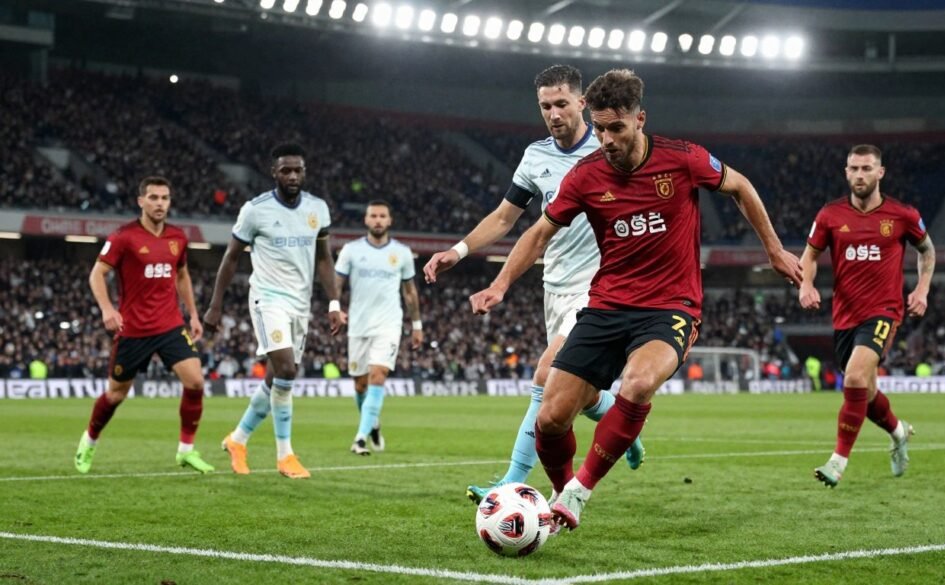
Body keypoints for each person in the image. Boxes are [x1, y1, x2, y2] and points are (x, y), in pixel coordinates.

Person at [470, 69, 801, 530]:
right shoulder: (586, 176)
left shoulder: (683, 159)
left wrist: (774, 249)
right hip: (607, 306)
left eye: (616, 128)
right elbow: (539, 231)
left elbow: (740, 186)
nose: (605, 139)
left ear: (640, 119)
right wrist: (500, 284)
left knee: (639, 384)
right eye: (600, 128)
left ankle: (579, 492)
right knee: (550, 416)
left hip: (671, 307)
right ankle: (560, 493)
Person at [422, 64, 645, 504]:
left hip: (601, 285)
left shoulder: (610, 148)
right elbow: (506, 218)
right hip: (554, 285)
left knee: (545, 375)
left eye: (562, 103)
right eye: (545, 105)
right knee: (573, 395)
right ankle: (623, 423)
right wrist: (460, 250)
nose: (553, 113)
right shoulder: (536, 156)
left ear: (582, 103)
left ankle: (512, 481)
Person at [203, 143, 345, 479]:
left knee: (277, 376)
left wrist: (334, 303)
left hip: (300, 303)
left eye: (298, 170)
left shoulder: (317, 209)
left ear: (304, 172)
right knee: (285, 369)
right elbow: (231, 257)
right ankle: (286, 455)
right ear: (274, 172)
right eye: (286, 170)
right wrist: (215, 305)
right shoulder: (256, 210)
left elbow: (324, 259)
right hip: (267, 299)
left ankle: (238, 439)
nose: (292, 175)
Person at [799, 143, 935, 488]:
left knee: (856, 378)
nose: (860, 174)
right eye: (854, 169)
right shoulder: (830, 215)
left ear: (880, 172)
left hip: (884, 312)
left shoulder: (902, 215)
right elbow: (810, 256)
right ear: (846, 172)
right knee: (867, 392)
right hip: (845, 316)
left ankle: (837, 461)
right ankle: (898, 431)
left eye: (866, 168)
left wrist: (922, 289)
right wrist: (806, 285)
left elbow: (927, 249)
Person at [74, 176, 213, 475]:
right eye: (153, 198)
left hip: (169, 325)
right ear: (141, 201)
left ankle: (186, 451)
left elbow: (182, 275)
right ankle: (89, 440)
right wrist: (107, 308)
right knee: (115, 395)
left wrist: (193, 314)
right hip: (134, 330)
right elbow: (96, 274)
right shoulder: (123, 237)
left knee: (196, 382)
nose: (159, 203)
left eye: (164, 198)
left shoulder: (178, 237)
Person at [335, 200, 423, 455]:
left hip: (389, 324)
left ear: (389, 220)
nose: (377, 220)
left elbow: (410, 292)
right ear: (366, 220)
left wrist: (416, 325)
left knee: (378, 375)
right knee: (360, 385)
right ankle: (372, 423)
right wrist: (334, 306)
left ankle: (360, 438)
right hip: (358, 326)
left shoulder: (402, 253)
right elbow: (337, 282)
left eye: (382, 216)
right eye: (373, 215)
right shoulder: (351, 250)